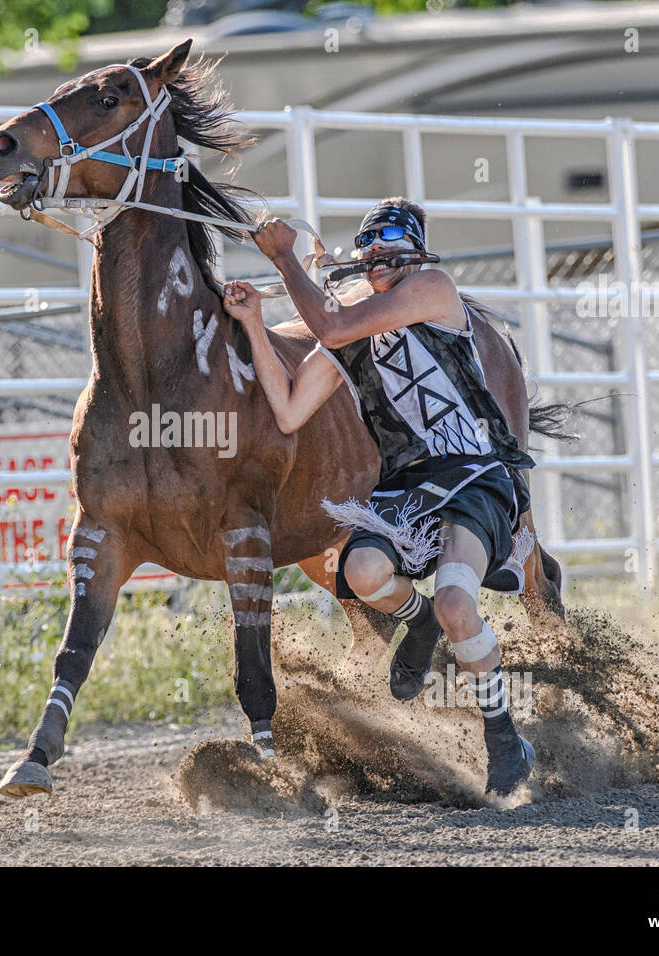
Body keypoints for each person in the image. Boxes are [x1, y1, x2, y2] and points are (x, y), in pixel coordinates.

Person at [222, 198, 535, 797]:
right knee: (362, 570)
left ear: (416, 255)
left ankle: (504, 739)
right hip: (410, 485)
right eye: (372, 250)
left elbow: (333, 325)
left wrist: (286, 258)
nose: (380, 258)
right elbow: (288, 411)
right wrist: (256, 326)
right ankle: (417, 625)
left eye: (393, 247)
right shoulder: (349, 330)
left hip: (474, 474)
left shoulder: (433, 290)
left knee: (454, 601)